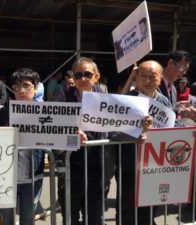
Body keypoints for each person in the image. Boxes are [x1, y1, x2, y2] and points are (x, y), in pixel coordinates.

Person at [56, 57, 151, 225]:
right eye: (78, 75)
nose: (82, 79)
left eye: (87, 74)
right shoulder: (63, 99)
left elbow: (117, 129)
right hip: (71, 168)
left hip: (99, 168)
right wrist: (71, 133)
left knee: (94, 217)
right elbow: (53, 131)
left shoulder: (109, 101)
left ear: (96, 76)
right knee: (70, 217)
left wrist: (138, 135)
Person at [115, 60, 172, 225]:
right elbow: (113, 132)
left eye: (152, 77)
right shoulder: (126, 100)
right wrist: (134, 136)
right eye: (143, 76)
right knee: (128, 208)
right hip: (129, 164)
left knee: (150, 207)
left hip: (154, 165)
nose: (148, 81)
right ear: (136, 77)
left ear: (160, 79)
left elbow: (171, 128)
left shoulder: (164, 102)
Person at [0, 68, 45, 225]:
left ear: (36, 88)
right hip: (6, 178)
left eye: (26, 86)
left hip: (33, 177)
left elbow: (56, 142)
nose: (21, 91)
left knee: (28, 221)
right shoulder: (4, 113)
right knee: (6, 221)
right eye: (17, 87)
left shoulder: (45, 113)